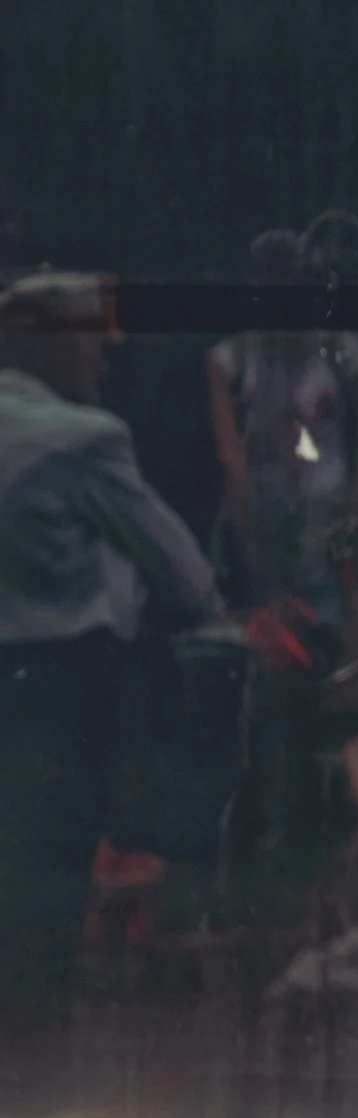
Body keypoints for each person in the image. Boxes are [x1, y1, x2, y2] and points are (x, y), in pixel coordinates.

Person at [0, 272, 224, 1008]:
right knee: (42, 896)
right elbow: (188, 581)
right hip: (54, 697)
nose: (107, 355)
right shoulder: (81, 439)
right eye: (93, 336)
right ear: (45, 342)